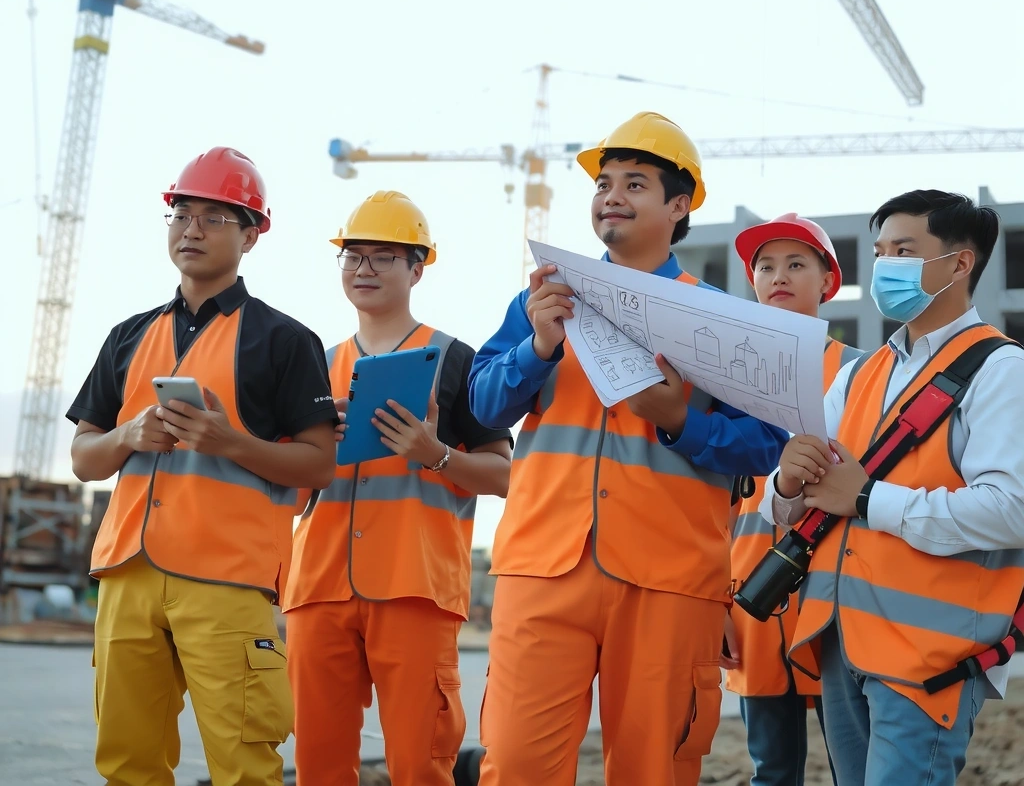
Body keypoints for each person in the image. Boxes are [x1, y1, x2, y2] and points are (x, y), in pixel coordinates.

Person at [468, 112, 790, 786]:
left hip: (669, 579)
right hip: (542, 566)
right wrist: (538, 347)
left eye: (634, 183)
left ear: (679, 206)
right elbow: (484, 406)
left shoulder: (723, 321)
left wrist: (678, 418)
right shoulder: (541, 300)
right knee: (517, 765)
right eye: (604, 183)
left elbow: (763, 447)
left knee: (655, 770)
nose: (611, 194)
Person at [67, 147, 338, 786]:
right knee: (128, 764)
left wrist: (228, 441)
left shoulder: (284, 341)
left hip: (227, 578)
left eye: (215, 218)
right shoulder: (128, 335)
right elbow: (84, 458)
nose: (191, 229)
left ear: (251, 234)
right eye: (181, 213)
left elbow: (320, 463)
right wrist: (129, 433)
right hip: (128, 574)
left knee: (244, 766)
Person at [760, 190, 1024, 786]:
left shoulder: (1003, 370)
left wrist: (866, 499)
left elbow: (1012, 510)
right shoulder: (859, 374)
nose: (885, 267)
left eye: (903, 251)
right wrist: (787, 482)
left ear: (960, 264)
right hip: (839, 639)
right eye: (880, 253)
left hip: (930, 656)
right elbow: (788, 504)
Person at [283, 190, 513, 786]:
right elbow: (286, 488)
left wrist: (434, 455)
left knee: (420, 764)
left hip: (415, 588)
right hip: (318, 587)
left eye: (383, 256)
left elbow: (507, 474)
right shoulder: (315, 364)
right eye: (353, 255)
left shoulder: (454, 361)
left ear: (418, 267)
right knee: (318, 764)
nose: (364, 268)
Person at [727, 213, 862, 786]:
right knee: (772, 768)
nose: (777, 276)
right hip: (750, 597)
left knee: (851, 762)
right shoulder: (725, 378)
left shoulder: (861, 372)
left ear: (827, 281)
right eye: (765, 265)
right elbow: (712, 505)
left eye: (796, 264)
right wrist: (716, 600)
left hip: (835, 595)